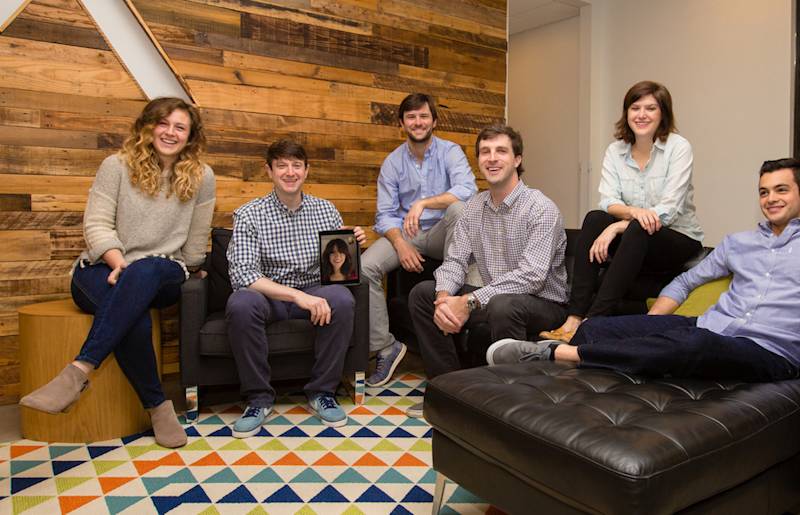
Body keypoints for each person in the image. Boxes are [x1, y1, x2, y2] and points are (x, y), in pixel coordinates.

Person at [488, 158, 800, 383]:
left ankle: (555, 354)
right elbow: (688, 279)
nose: (771, 199)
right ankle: (583, 354)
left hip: (770, 350)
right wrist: (653, 322)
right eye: (764, 192)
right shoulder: (739, 242)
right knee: (600, 327)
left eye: (782, 190)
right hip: (709, 326)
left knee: (693, 347)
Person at [19, 97, 216, 448]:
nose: (170, 132)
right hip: (102, 269)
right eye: (163, 123)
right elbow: (96, 224)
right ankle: (158, 408)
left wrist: (194, 267)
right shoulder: (116, 166)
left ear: (190, 136)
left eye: (180, 127)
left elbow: (196, 238)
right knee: (133, 318)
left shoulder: (203, 177)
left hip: (162, 269)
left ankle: (79, 370)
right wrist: (117, 263)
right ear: (148, 126)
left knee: (146, 270)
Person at [407, 125, 568, 418]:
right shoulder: (473, 207)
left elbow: (532, 276)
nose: (492, 158)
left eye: (501, 151)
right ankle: (449, 393)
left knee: (504, 305)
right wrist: (443, 300)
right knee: (423, 294)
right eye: (485, 152)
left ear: (517, 159)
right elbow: (455, 261)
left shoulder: (541, 208)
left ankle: (510, 407)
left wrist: (469, 301)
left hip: (544, 303)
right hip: (494, 298)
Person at [541, 81, 703, 343]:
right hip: (637, 239)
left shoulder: (678, 147)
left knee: (637, 227)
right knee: (595, 218)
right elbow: (608, 201)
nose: (641, 115)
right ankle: (573, 318)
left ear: (663, 113)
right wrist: (630, 214)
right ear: (626, 112)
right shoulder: (616, 151)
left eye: (650, 108)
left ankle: (593, 323)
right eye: (635, 108)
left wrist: (617, 226)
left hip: (678, 239)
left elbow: (668, 210)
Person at [225, 139, 367, 438]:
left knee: (341, 299)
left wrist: (352, 244)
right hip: (268, 296)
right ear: (269, 171)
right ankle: (258, 399)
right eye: (282, 166)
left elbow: (337, 266)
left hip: (314, 289)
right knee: (240, 303)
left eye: (296, 165)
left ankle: (322, 392)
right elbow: (243, 274)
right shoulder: (249, 214)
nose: (290, 172)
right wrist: (297, 297)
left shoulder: (326, 210)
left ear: (306, 170)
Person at [361, 93, 477, 388]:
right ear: (402, 124)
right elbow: (384, 215)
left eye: (424, 116)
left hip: (442, 230)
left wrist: (423, 203)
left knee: (459, 209)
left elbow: (468, 190)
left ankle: (451, 301)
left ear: (434, 121)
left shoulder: (450, 152)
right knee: (365, 267)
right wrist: (401, 244)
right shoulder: (392, 162)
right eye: (411, 117)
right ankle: (386, 346)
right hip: (407, 233)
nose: (418, 122)